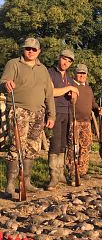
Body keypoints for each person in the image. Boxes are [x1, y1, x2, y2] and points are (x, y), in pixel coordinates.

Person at [0, 37, 55, 198]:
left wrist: (51, 115)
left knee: (32, 147)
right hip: (18, 110)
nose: (30, 51)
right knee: (16, 146)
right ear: (23, 50)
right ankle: (10, 184)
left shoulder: (43, 69)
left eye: (34, 49)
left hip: (39, 112)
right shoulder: (13, 64)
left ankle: (27, 182)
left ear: (39, 51)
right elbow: (2, 82)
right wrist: (6, 84)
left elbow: (49, 94)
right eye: (27, 49)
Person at [47, 49, 79, 190]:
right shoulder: (50, 73)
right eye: (64, 59)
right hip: (54, 112)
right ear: (59, 58)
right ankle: (53, 177)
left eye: (69, 61)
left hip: (67, 113)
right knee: (54, 144)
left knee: (63, 145)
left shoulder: (70, 78)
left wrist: (73, 95)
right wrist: (69, 88)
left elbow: (75, 97)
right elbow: (51, 92)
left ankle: (60, 174)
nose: (66, 62)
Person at [66, 63, 102, 180]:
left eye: (83, 73)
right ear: (75, 74)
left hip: (86, 122)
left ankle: (82, 170)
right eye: (79, 73)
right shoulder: (69, 85)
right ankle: (72, 170)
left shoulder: (88, 88)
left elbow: (92, 103)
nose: (81, 75)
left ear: (86, 75)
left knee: (85, 146)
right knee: (73, 146)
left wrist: (98, 108)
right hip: (74, 121)